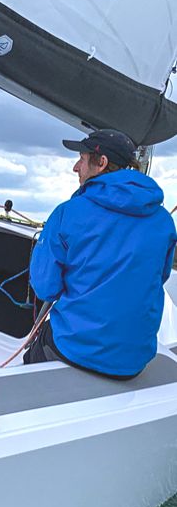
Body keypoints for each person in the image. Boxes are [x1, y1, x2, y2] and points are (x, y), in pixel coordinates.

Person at [24, 128, 176, 378]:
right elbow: (158, 276)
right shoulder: (163, 221)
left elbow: (46, 288)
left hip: (75, 351)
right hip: (133, 362)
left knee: (34, 353)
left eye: (82, 160)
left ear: (101, 163)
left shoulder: (68, 213)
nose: (76, 167)